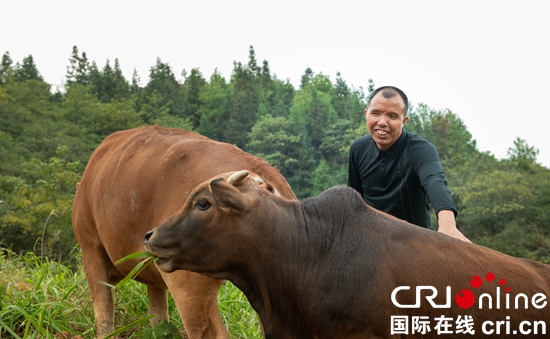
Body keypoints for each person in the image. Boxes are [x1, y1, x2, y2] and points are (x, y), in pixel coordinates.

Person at [348, 86, 470, 242]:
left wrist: (447, 225)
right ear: (366, 114)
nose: (382, 122)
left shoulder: (421, 150)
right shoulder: (358, 149)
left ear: (404, 120)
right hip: (372, 243)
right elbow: (354, 200)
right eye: (376, 113)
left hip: (414, 243)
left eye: (392, 116)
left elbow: (435, 182)